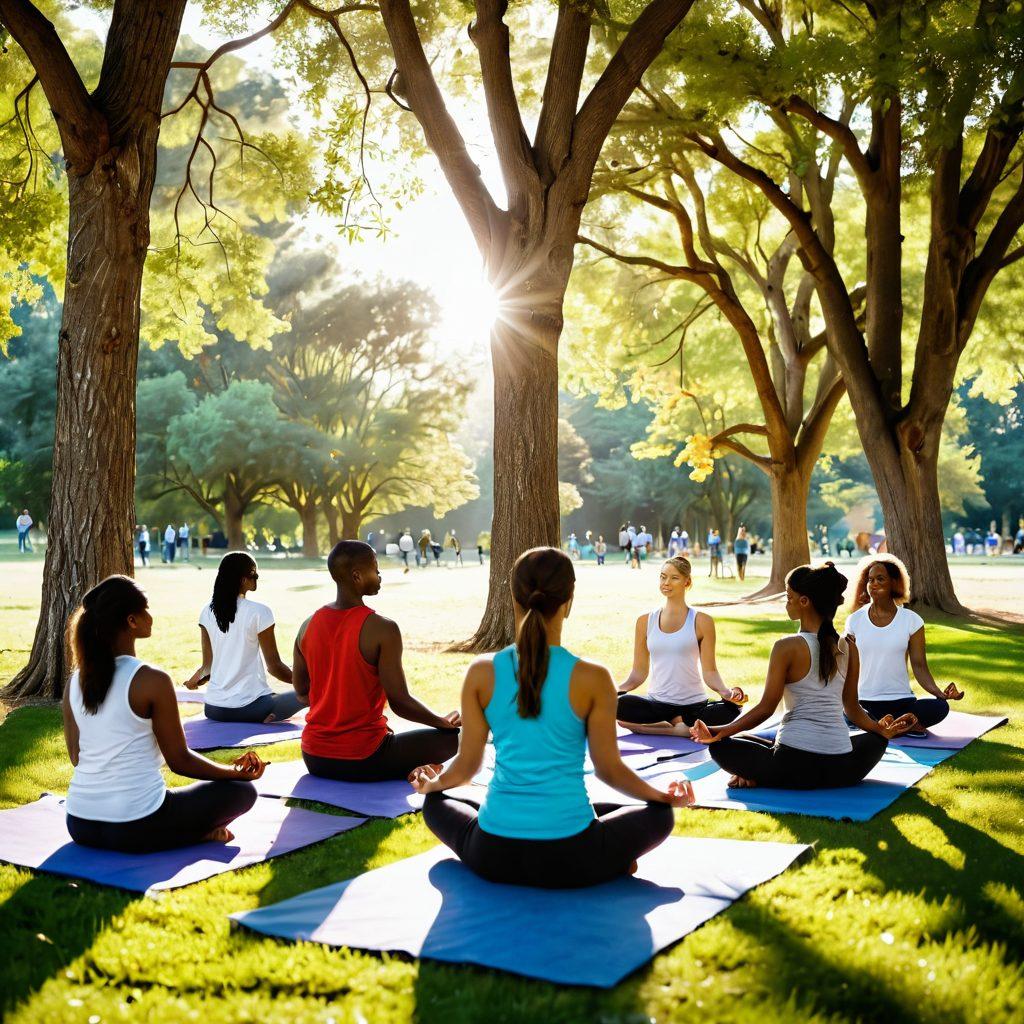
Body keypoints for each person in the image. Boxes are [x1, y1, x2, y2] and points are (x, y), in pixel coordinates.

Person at [410, 547, 694, 889]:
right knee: (659, 815)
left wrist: (432, 785)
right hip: (573, 855)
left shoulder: (481, 672)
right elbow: (609, 770)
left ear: (514, 599)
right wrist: (662, 797)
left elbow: (467, 767)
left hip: (493, 854)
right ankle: (609, 861)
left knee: (437, 802)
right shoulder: (594, 677)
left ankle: (599, 856)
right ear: (569, 601)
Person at [62, 575, 266, 852]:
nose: (150, 616)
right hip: (136, 827)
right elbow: (179, 761)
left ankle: (186, 831)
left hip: (80, 824)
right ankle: (200, 835)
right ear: (131, 621)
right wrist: (234, 774)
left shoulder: (74, 682)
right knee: (242, 792)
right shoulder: (151, 680)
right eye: (145, 609)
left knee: (176, 799)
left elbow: (76, 757)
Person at [690, 563, 917, 789]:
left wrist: (718, 733)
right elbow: (852, 708)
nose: (786, 602)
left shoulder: (786, 647)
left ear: (805, 601)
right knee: (875, 740)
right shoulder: (850, 647)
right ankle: (762, 772)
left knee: (720, 747)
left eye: (789, 597)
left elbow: (766, 709)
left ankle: (759, 776)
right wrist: (880, 730)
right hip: (842, 769)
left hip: (791, 765)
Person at [294, 540, 460, 781]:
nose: (380, 575)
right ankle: (420, 765)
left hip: (315, 758)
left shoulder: (306, 626)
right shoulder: (384, 629)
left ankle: (416, 766)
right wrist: (443, 723)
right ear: (357, 576)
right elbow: (400, 703)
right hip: (365, 757)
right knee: (455, 738)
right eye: (375, 568)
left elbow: (300, 692)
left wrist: (334, 706)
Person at [616, 556, 747, 736]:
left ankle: (660, 728)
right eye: (663, 577)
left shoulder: (702, 621)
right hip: (657, 705)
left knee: (733, 710)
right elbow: (638, 673)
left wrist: (725, 691)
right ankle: (682, 729)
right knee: (617, 705)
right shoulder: (645, 621)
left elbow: (710, 671)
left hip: (694, 707)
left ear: (687, 582)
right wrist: (615, 690)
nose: (666, 583)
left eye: (674, 578)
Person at [844, 555, 964, 735]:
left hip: (902, 702)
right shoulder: (854, 620)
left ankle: (888, 726)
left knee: (940, 707)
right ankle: (903, 726)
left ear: (894, 582)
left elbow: (919, 665)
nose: (873, 584)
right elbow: (847, 666)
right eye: (870, 580)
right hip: (864, 702)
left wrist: (939, 693)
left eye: (880, 579)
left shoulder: (912, 621)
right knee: (846, 712)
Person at [183, 553, 302, 723]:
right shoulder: (260, 612)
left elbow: (207, 667)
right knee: (314, 693)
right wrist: (304, 684)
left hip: (214, 709)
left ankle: (271, 710)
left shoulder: (206, 612)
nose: (256, 579)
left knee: (275, 697)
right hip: (251, 708)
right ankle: (270, 713)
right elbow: (274, 667)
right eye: (254, 575)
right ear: (242, 580)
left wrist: (194, 680)